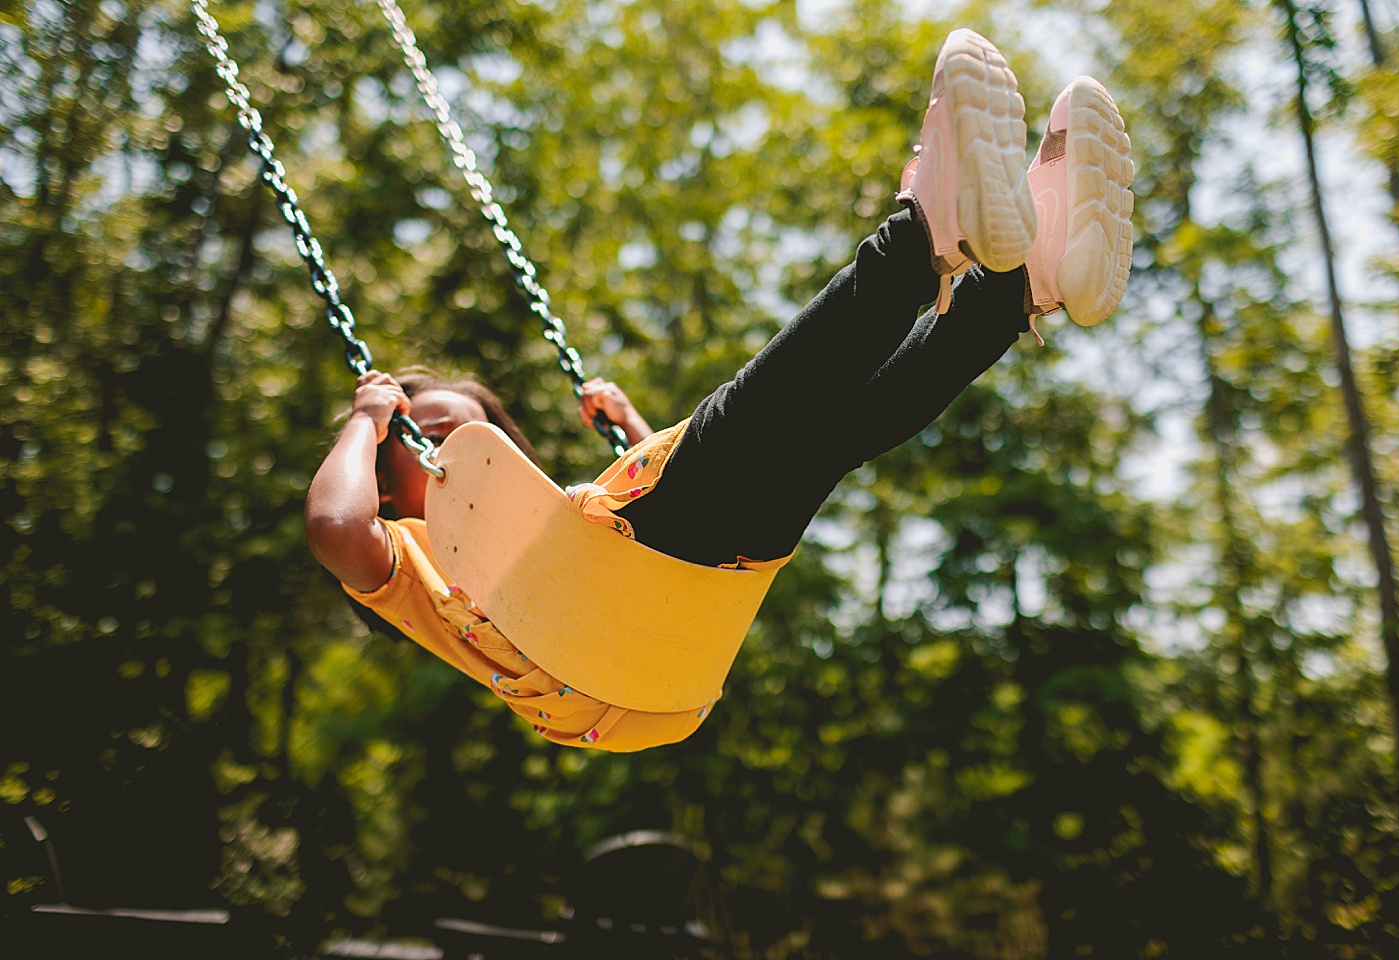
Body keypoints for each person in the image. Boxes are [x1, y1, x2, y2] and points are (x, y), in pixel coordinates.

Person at [305, 29, 1134, 751]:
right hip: (615, 636)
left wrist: (629, 425)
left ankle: (1010, 292)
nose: (449, 448)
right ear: (385, 474)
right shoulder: (410, 559)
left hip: (680, 620)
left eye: (463, 432)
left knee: (835, 434)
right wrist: (366, 420)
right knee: (741, 419)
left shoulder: (550, 534)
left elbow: (647, 515)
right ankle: (921, 233)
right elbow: (334, 528)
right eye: (425, 437)